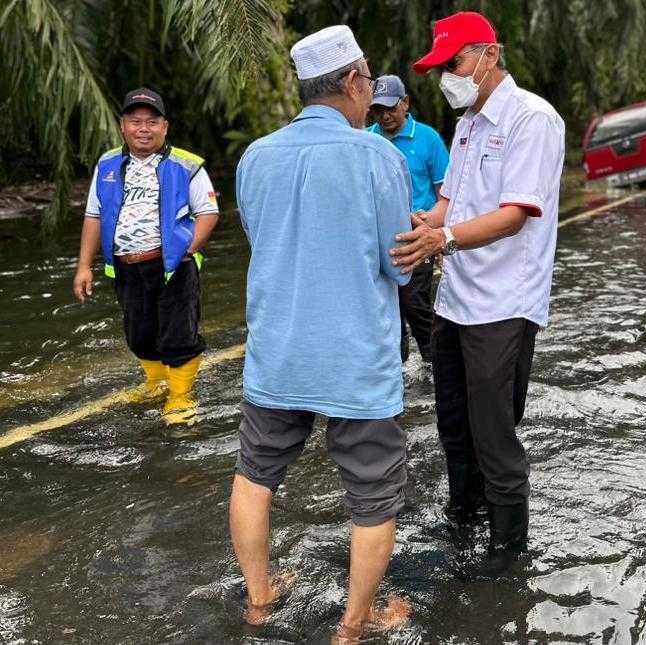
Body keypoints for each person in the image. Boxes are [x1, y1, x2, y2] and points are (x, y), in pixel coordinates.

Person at [231, 26, 413, 640]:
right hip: (354, 357)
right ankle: (355, 625)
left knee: (255, 476)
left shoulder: (256, 155)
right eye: (368, 78)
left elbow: (268, 244)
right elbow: (397, 260)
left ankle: (259, 601)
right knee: (372, 495)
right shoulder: (377, 155)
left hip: (278, 352)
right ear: (352, 82)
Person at [393, 11, 565, 578]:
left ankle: (508, 549)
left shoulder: (531, 119)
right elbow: (454, 201)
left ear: (489, 54)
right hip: (456, 300)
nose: (446, 75)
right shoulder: (467, 123)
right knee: (453, 423)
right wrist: (426, 223)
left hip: (505, 302)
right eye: (440, 66)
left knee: (494, 431)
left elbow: (515, 215)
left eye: (454, 62)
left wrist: (442, 237)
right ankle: (462, 517)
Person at [72, 88, 219, 423]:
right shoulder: (108, 164)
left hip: (173, 267)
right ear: (123, 126)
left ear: (164, 127)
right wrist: (83, 266)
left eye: (151, 122)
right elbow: (93, 215)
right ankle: (156, 384)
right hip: (126, 267)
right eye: (135, 121)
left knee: (178, 335)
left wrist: (188, 251)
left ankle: (181, 397)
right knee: (139, 334)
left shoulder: (187, 164)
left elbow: (209, 212)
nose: (143, 128)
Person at [367, 75, 450, 364]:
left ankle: (433, 361)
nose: (385, 115)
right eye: (378, 109)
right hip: (378, 240)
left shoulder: (427, 138)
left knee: (414, 303)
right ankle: (396, 366)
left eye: (390, 107)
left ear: (406, 104)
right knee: (388, 309)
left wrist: (435, 228)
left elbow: (447, 195)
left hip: (417, 236)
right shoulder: (367, 141)